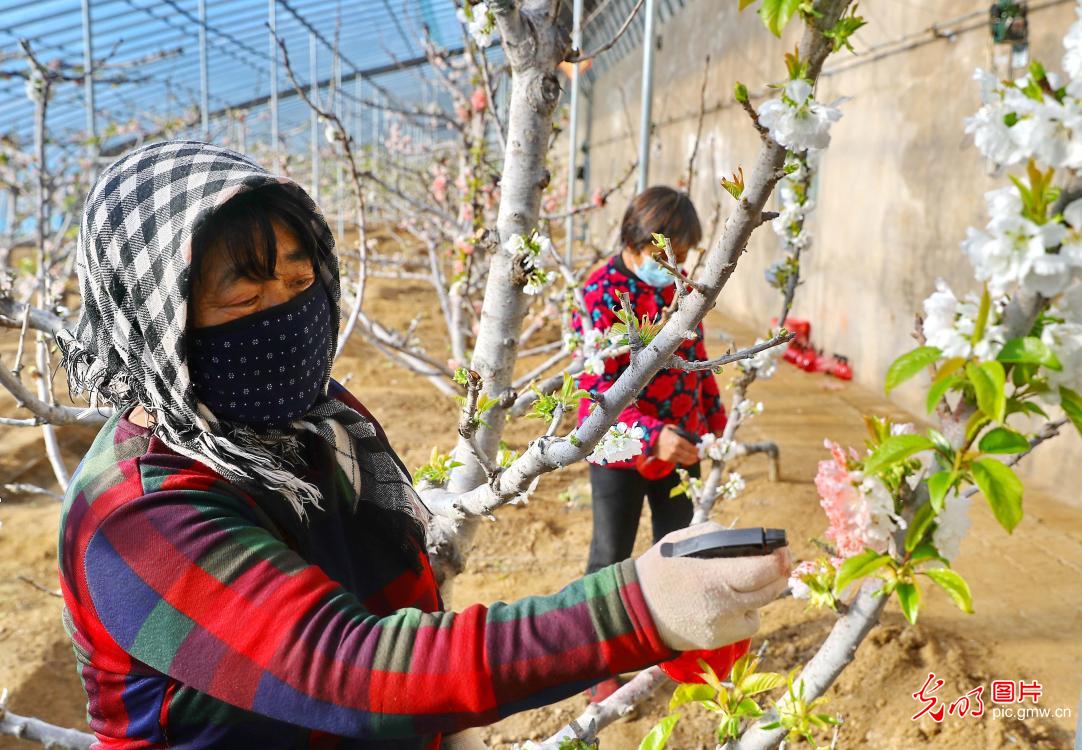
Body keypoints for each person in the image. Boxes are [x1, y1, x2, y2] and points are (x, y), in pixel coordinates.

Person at [55, 142, 789, 749]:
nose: (284, 316)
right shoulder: (136, 518)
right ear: (154, 324)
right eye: (244, 301)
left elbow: (396, 580)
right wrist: (633, 609)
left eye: (300, 280)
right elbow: (346, 669)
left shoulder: (317, 420)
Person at [572, 187, 729, 701]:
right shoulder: (600, 291)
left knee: (681, 548)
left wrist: (715, 424)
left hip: (682, 442)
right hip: (619, 445)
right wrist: (648, 436)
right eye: (666, 257)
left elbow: (698, 359)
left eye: (682, 259)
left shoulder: (683, 289)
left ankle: (676, 646)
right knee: (610, 555)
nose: (675, 268)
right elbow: (597, 388)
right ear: (635, 239)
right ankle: (601, 660)